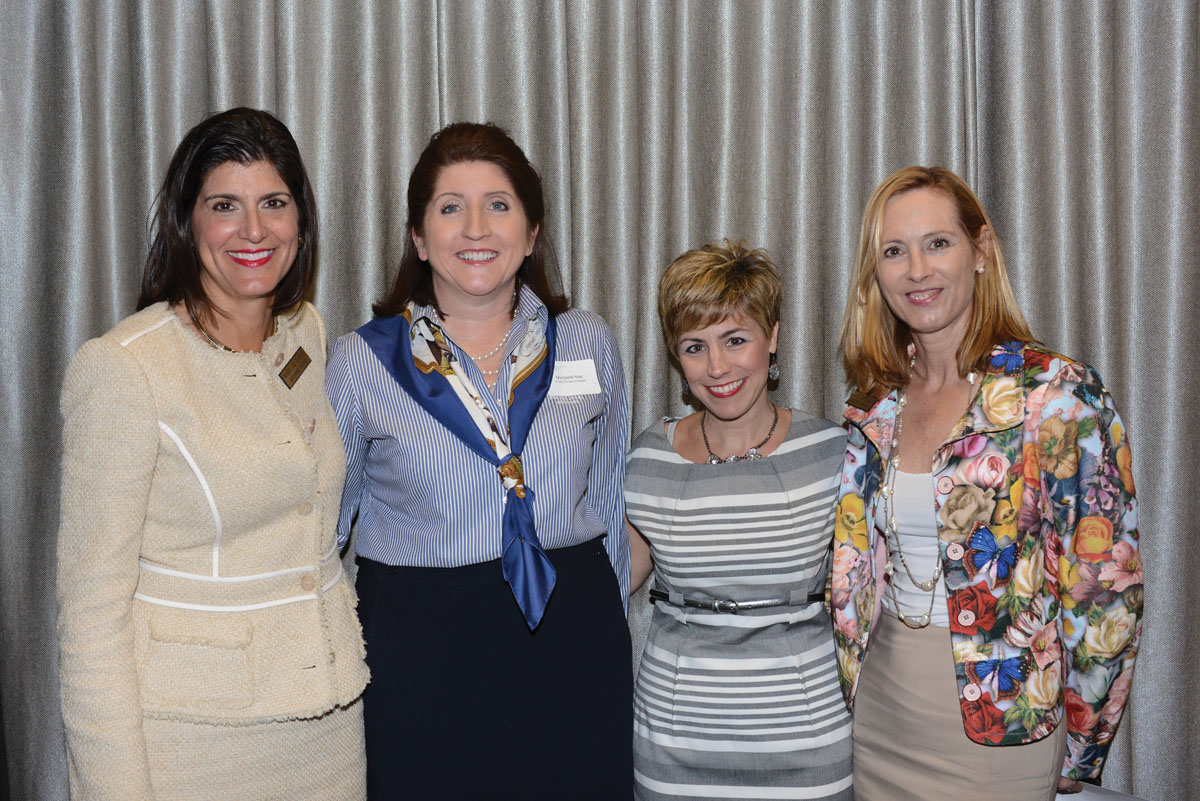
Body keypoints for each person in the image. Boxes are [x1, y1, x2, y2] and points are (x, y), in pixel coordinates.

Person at [56, 108, 369, 801]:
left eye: (273, 204)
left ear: (300, 220)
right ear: (186, 221)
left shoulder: (307, 333)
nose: (253, 230)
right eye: (224, 205)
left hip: (330, 734)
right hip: (192, 745)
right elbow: (90, 621)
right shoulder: (124, 369)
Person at [326, 121, 632, 800]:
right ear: (418, 236)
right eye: (449, 206)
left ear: (530, 233)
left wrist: (608, 638)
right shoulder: (361, 362)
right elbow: (324, 534)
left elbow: (610, 500)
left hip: (572, 639)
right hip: (420, 651)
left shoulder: (586, 342)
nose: (475, 227)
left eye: (498, 204)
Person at [832, 166, 1141, 799]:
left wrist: (1081, 745)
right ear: (876, 274)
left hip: (1004, 726)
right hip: (880, 708)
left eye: (937, 243)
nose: (917, 269)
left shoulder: (1055, 396)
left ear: (981, 250)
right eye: (894, 251)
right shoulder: (876, 403)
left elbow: (1106, 590)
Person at [626, 241, 854, 801]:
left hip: (808, 743)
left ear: (772, 338)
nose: (718, 367)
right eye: (694, 346)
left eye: (735, 339)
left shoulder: (834, 451)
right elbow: (607, 580)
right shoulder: (646, 457)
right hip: (674, 742)